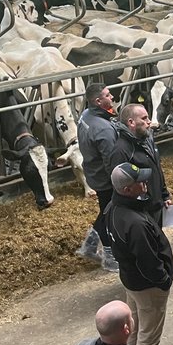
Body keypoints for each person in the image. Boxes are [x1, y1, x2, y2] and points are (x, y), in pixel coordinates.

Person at [104, 162, 173, 345]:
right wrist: (163, 281)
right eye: (139, 182)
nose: (145, 184)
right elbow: (148, 261)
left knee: (133, 329)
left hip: (131, 281)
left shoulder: (112, 208)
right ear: (127, 190)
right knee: (149, 336)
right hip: (148, 287)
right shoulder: (135, 223)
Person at [75, 81, 120, 271]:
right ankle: (110, 258)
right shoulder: (103, 129)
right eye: (108, 95)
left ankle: (90, 246)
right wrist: (119, 182)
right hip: (105, 178)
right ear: (98, 101)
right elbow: (111, 160)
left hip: (93, 172)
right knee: (110, 216)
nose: (112, 98)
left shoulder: (85, 116)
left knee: (105, 211)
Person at [109, 103, 171, 230]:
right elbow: (121, 187)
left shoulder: (148, 140)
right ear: (131, 122)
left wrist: (164, 195)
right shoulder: (121, 150)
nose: (149, 122)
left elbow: (157, 168)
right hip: (142, 213)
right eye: (144, 118)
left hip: (156, 206)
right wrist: (137, 213)